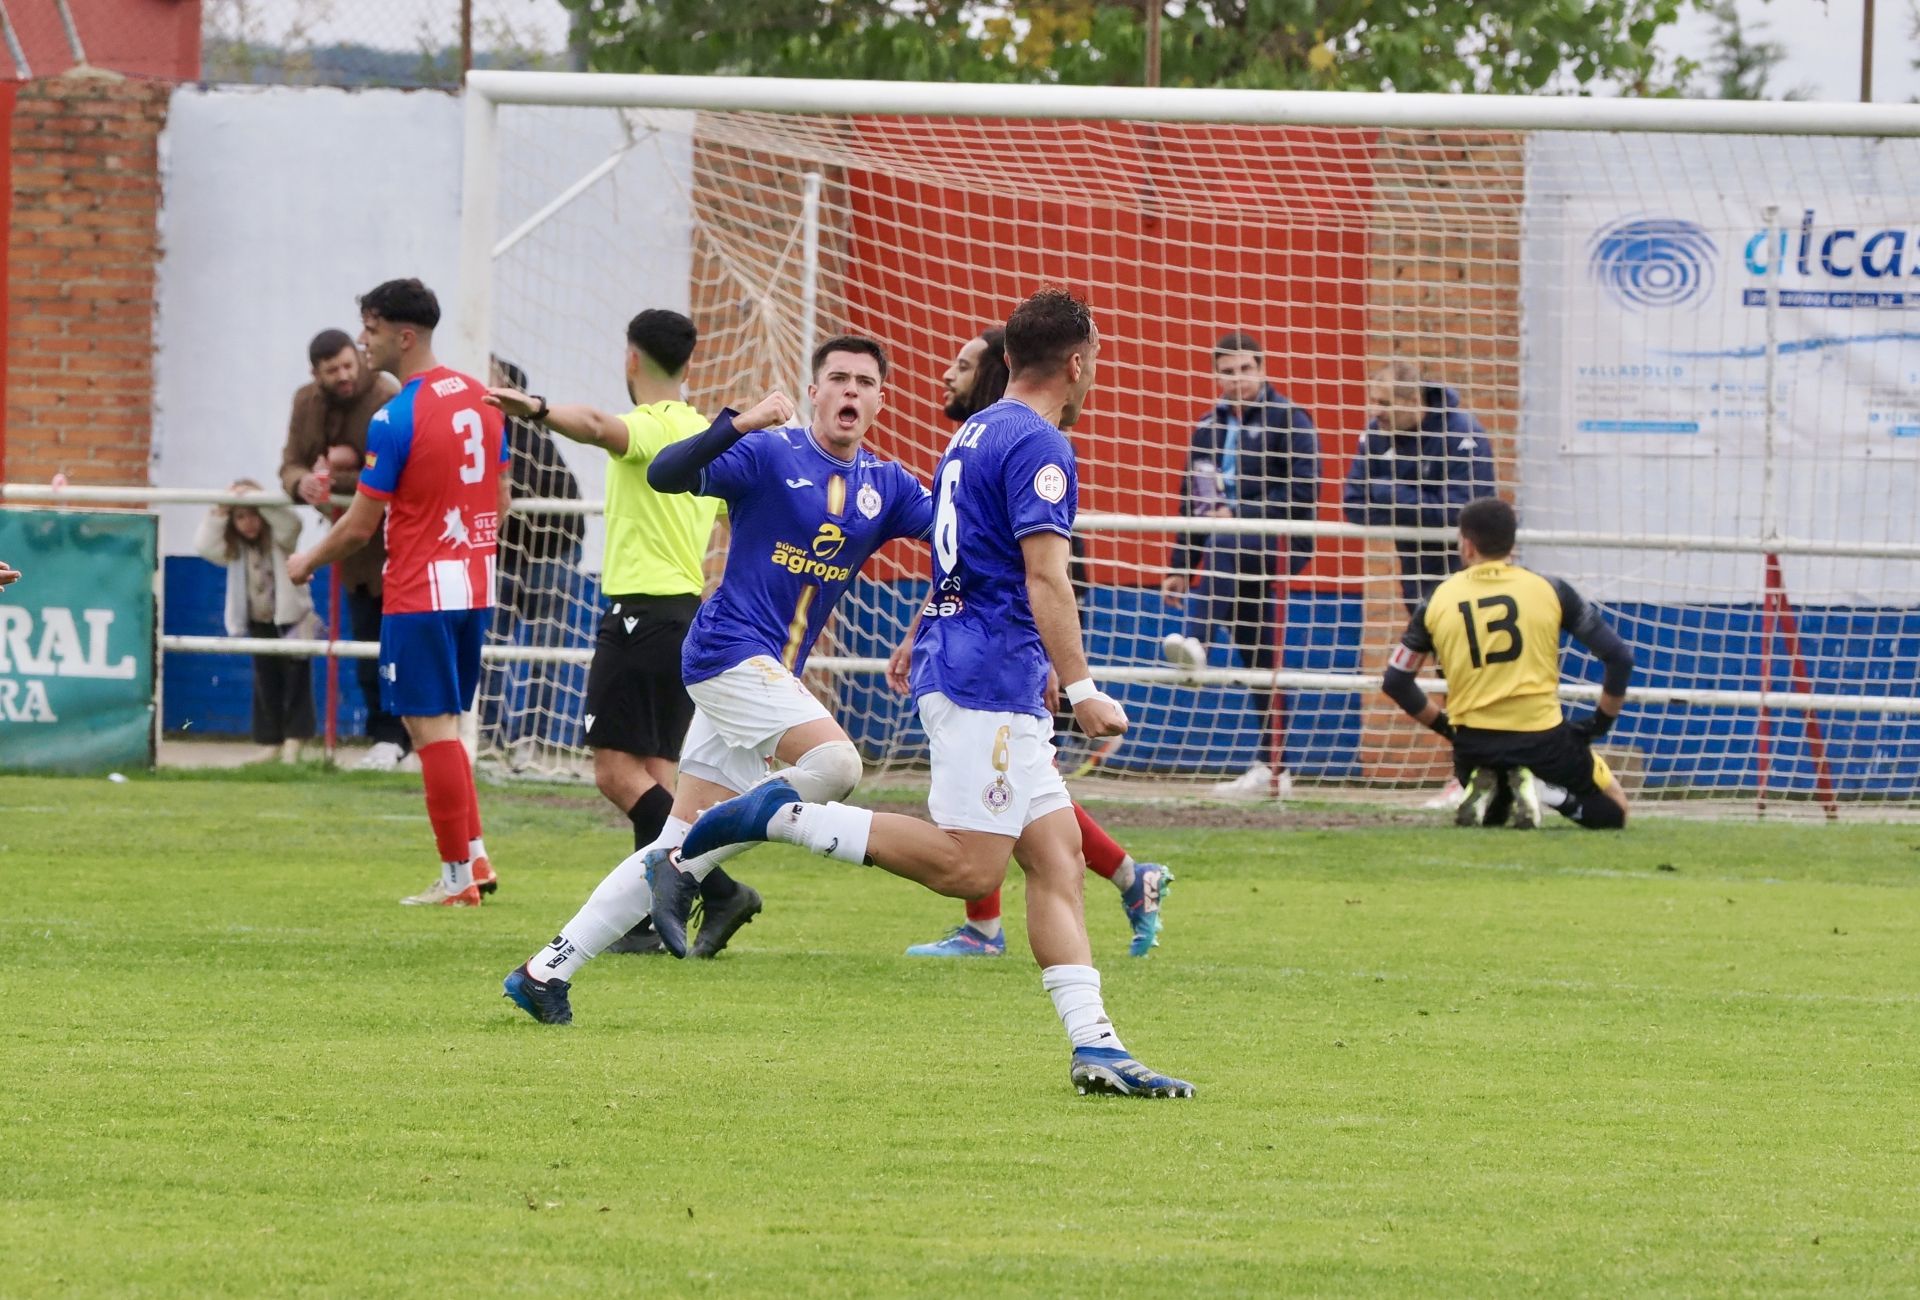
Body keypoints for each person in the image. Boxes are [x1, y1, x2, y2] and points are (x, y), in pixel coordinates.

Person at [673, 291, 1192, 1098]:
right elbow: (1045, 574)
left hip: (984, 663)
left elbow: (964, 556)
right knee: (965, 865)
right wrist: (1084, 687)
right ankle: (782, 814)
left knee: (1055, 857)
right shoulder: (1041, 443)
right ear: (1078, 365)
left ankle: (1097, 1046)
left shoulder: (975, 430)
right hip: (989, 674)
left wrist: (925, 629)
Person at [500, 334, 933, 1023]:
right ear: (813, 391)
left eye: (865, 382)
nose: (851, 391)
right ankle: (688, 865)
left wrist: (927, 623)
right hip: (725, 651)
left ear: (881, 399)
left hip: (765, 678)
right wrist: (736, 421)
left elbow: (956, 542)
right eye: (838, 379)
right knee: (836, 762)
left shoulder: (887, 487)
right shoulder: (768, 452)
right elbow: (665, 473)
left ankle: (545, 971)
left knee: (677, 840)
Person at [486, 311, 758, 958]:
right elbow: (739, 516)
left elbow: (597, 427)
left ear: (631, 357)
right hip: (689, 619)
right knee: (657, 772)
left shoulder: (651, 426)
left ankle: (719, 889)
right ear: (690, 363)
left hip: (638, 615)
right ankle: (646, 922)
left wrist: (535, 408)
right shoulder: (709, 434)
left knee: (614, 772)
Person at [897, 325, 1173, 959]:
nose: (949, 374)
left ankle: (1078, 1008)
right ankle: (1125, 888)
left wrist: (1058, 669)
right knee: (1008, 838)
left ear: (1002, 366)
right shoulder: (1016, 441)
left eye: (963, 364)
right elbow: (1008, 568)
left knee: (1017, 847)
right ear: (1076, 365)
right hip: (985, 654)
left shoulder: (988, 440)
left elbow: (1025, 569)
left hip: (989, 653)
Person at [288, 278, 508, 906]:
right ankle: (476, 857)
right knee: (446, 724)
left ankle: (455, 877)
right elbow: (500, 499)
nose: (364, 341)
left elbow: (360, 524)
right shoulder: (484, 399)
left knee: (427, 728)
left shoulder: (396, 415)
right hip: (474, 582)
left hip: (418, 589)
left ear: (403, 335)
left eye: (373, 329)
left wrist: (307, 559)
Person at [1381, 495, 1633, 831]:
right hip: (1544, 740)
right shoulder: (1550, 589)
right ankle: (1546, 790)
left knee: (1497, 813)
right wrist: (1598, 725)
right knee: (1615, 812)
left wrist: (1448, 729)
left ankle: (1494, 789)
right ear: (1512, 543)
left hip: (1473, 743)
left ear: (1467, 547)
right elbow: (1619, 657)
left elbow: (1396, 681)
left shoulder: (1437, 598)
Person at [1160, 332, 1319, 800]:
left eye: (1245, 369)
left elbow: (1304, 494)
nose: (1237, 379)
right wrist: (1180, 568)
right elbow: (1196, 501)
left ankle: (1196, 639)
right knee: (1257, 656)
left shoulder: (1290, 419)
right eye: (1227, 371)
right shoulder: (1207, 427)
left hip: (1278, 541)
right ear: (1216, 376)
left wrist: (1242, 513)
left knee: (1228, 535)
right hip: (1228, 563)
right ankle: (1275, 770)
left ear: (1262, 369)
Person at [1343, 359, 1495, 808]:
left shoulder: (1462, 433)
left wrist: (1393, 495)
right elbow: (1354, 503)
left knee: (1469, 677)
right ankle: (1468, 774)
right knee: (1434, 677)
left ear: (1414, 402)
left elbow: (1465, 512)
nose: (1376, 411)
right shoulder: (1376, 435)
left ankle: (1474, 775)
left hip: (1465, 579)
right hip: (1416, 578)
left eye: (1385, 402)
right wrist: (1410, 505)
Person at [279, 328, 410, 771]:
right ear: (316, 373)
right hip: (350, 551)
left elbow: (396, 475)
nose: (344, 375)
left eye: (348, 364)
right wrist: (303, 483)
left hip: (397, 544)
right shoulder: (305, 403)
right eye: (332, 370)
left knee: (401, 648)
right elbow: (290, 464)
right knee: (365, 648)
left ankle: (402, 740)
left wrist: (334, 479)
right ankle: (384, 738)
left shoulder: (385, 395)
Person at [481, 356, 586, 768]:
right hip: (505, 557)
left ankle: (533, 741)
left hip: (553, 551)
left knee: (545, 652)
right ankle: (489, 734)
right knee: (489, 647)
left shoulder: (524, 431)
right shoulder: (479, 428)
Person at [194, 479, 316, 762]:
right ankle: (270, 741)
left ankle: (294, 742)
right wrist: (220, 509)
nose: (247, 523)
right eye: (239, 516)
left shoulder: (280, 540)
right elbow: (204, 546)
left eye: (253, 514)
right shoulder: (234, 550)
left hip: (293, 619)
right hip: (259, 621)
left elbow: (292, 523)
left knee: (297, 681)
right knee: (266, 681)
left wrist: (257, 498)